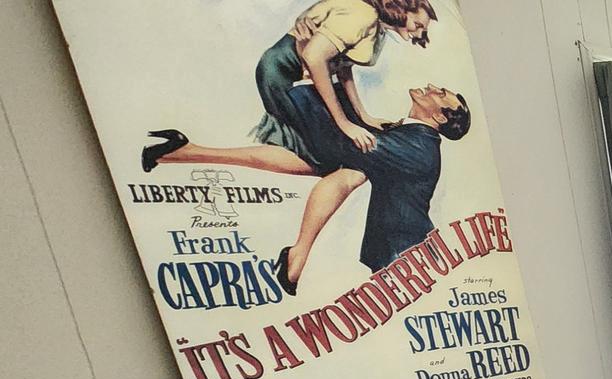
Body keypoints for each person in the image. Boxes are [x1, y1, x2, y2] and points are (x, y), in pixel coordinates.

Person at [140, 85, 471, 293]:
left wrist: (315, 89)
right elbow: (337, 173)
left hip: (406, 260)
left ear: (441, 118)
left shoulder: (416, 147)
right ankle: (183, 151)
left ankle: (184, 152)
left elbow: (340, 144)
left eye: (441, 94)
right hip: (396, 259)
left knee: (340, 167)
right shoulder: (406, 137)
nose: (433, 88)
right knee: (343, 173)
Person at [142, 0, 435, 180]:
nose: (420, 33)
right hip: (285, 74)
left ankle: (180, 151)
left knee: (330, 159)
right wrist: (345, 123)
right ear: (403, 6)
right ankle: (183, 152)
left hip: (308, 76)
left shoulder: (377, 27)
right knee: (326, 159)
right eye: (419, 24)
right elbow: (314, 57)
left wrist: (363, 116)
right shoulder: (362, 15)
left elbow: (342, 67)